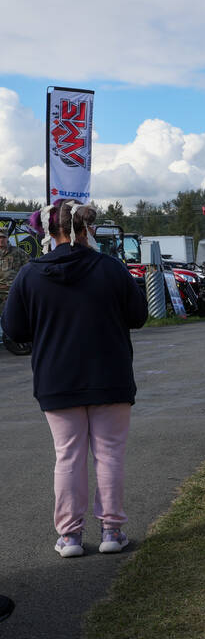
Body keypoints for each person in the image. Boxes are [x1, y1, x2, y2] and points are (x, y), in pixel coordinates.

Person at [1, 200, 148, 557]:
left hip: (57, 377)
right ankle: (112, 531)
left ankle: (69, 536)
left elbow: (14, 329)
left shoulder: (30, 274)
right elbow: (138, 315)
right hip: (109, 373)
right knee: (109, 453)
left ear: (47, 232)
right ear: (86, 228)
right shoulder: (111, 268)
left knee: (67, 456)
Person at [0, 228, 31, 354]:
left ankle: (14, 340)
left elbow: (30, 268)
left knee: (12, 315)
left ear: (7, 238)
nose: (1, 240)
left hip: (12, 292)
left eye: (3, 237)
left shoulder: (18, 252)